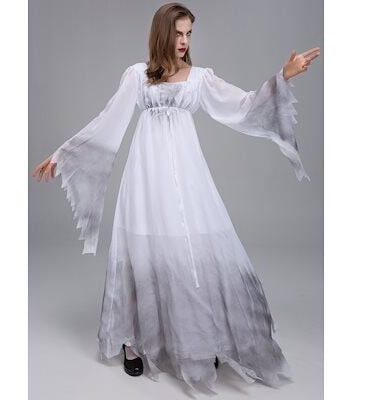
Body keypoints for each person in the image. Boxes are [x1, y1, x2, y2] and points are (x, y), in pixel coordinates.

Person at [32, 2, 320, 394]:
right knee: (145, 250)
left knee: (191, 248)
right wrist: (62, 155)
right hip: (145, 177)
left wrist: (283, 76)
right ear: (161, 34)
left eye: (188, 34)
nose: (184, 41)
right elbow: (107, 120)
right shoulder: (137, 75)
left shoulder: (200, 78)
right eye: (178, 33)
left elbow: (244, 105)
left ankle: (200, 338)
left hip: (187, 176)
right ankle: (133, 341)